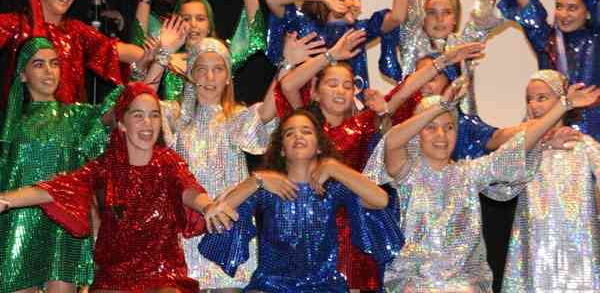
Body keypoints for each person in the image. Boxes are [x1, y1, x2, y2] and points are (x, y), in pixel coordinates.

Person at [278, 30, 484, 291]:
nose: (341, 90)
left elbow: (402, 92)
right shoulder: (306, 127)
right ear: (315, 92)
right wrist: (332, 54)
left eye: (348, 85)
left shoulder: (363, 125)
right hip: (309, 220)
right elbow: (288, 86)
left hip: (354, 224)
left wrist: (444, 61)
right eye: (332, 84)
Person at [363, 77, 600, 292]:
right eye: (431, 128)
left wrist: (564, 105)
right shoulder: (406, 172)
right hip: (414, 283)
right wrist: (442, 106)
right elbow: (392, 141)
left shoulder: (469, 173)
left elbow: (514, 149)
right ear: (417, 133)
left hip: (464, 284)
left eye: (449, 127)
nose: (441, 136)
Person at [0, 82, 237, 292]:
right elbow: (57, 188)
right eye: (138, 115)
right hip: (115, 277)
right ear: (122, 123)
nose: (148, 123)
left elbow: (188, 188)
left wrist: (207, 206)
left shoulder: (168, 162)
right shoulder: (106, 166)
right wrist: (6, 199)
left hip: (163, 274)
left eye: (154, 115)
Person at [198, 108, 404, 293]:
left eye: (306, 131)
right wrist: (256, 180)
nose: (298, 136)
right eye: (289, 133)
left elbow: (381, 200)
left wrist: (334, 167)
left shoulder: (332, 189)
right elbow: (220, 212)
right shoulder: (268, 189)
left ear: (319, 146)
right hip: (271, 285)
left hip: (324, 285)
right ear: (282, 149)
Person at [141, 29, 280, 292]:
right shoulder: (175, 116)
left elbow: (268, 111)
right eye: (201, 69)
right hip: (185, 228)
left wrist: (286, 65)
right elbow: (140, 101)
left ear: (228, 77)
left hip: (227, 226)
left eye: (218, 69)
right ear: (191, 74)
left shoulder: (237, 117)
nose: (209, 77)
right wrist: (162, 56)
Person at [0, 37, 121, 293]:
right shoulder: (8, 125)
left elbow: (123, 107)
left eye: (54, 63)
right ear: (22, 74)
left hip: (63, 225)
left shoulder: (76, 117)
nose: (49, 71)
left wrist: (157, 60)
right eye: (39, 64)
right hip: (17, 223)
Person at [485, 0, 600, 141]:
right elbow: (525, 1)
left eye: (572, 8)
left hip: (593, 137)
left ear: (588, 10)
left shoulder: (596, 41)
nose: (563, 14)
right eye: (559, 6)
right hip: (549, 133)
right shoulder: (547, 40)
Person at [265, 0, 422, 101]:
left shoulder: (357, 32)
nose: (358, 5)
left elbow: (397, 17)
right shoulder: (303, 24)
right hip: (308, 110)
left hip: (349, 111)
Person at [490, 70, 600, 292]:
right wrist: (544, 142)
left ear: (561, 100)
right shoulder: (525, 148)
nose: (533, 105)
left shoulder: (583, 145)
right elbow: (495, 147)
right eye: (529, 99)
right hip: (536, 245)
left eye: (541, 98)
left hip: (578, 247)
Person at [0, 0, 144, 106]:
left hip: (69, 119)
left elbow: (118, 50)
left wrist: (158, 56)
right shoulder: (17, 24)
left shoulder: (75, 31)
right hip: (23, 119)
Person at [131, 0, 266, 101]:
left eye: (200, 19)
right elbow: (139, 39)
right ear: (175, 24)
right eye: (186, 19)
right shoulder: (166, 59)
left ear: (209, 26)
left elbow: (254, 36)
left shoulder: (222, 56)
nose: (193, 25)